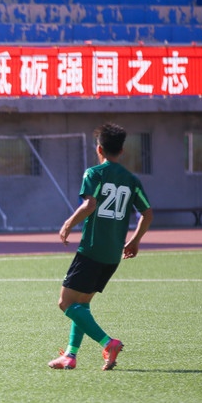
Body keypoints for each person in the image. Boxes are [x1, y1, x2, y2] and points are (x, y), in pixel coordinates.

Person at [49, 122, 153, 371]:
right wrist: (135, 241)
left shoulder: (94, 173)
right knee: (82, 304)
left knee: (65, 303)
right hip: (113, 254)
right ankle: (70, 355)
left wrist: (68, 224)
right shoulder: (131, 180)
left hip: (92, 249)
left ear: (99, 149)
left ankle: (109, 343)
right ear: (122, 151)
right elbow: (147, 213)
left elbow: (90, 204)